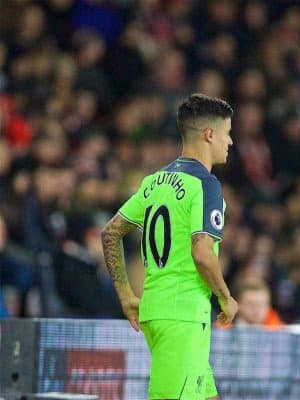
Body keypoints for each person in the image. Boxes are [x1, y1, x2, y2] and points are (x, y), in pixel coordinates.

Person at [101, 94, 238, 400]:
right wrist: (226, 297)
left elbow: (111, 233)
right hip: (184, 315)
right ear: (210, 134)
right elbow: (202, 253)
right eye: (228, 134)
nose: (230, 142)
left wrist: (126, 296)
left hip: (156, 309)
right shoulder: (206, 184)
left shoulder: (155, 181)